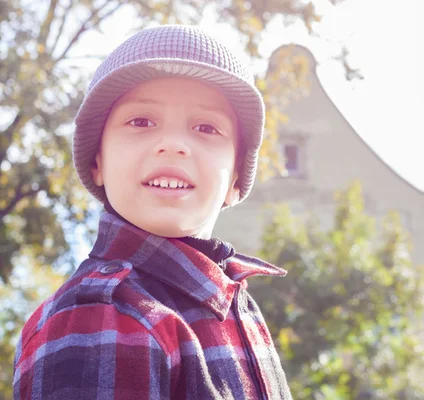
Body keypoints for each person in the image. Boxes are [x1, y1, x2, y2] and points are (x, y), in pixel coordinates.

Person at [13, 25, 292, 399]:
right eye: (141, 122)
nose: (173, 144)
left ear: (236, 176)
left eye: (206, 127)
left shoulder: (233, 299)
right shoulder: (103, 313)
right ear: (97, 161)